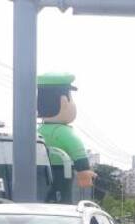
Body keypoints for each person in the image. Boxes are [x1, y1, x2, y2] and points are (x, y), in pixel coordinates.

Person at [36, 72, 96, 203]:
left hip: (37, 173)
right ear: (64, 101)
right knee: (63, 199)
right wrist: (84, 173)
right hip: (61, 172)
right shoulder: (65, 133)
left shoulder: (36, 130)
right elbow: (78, 154)